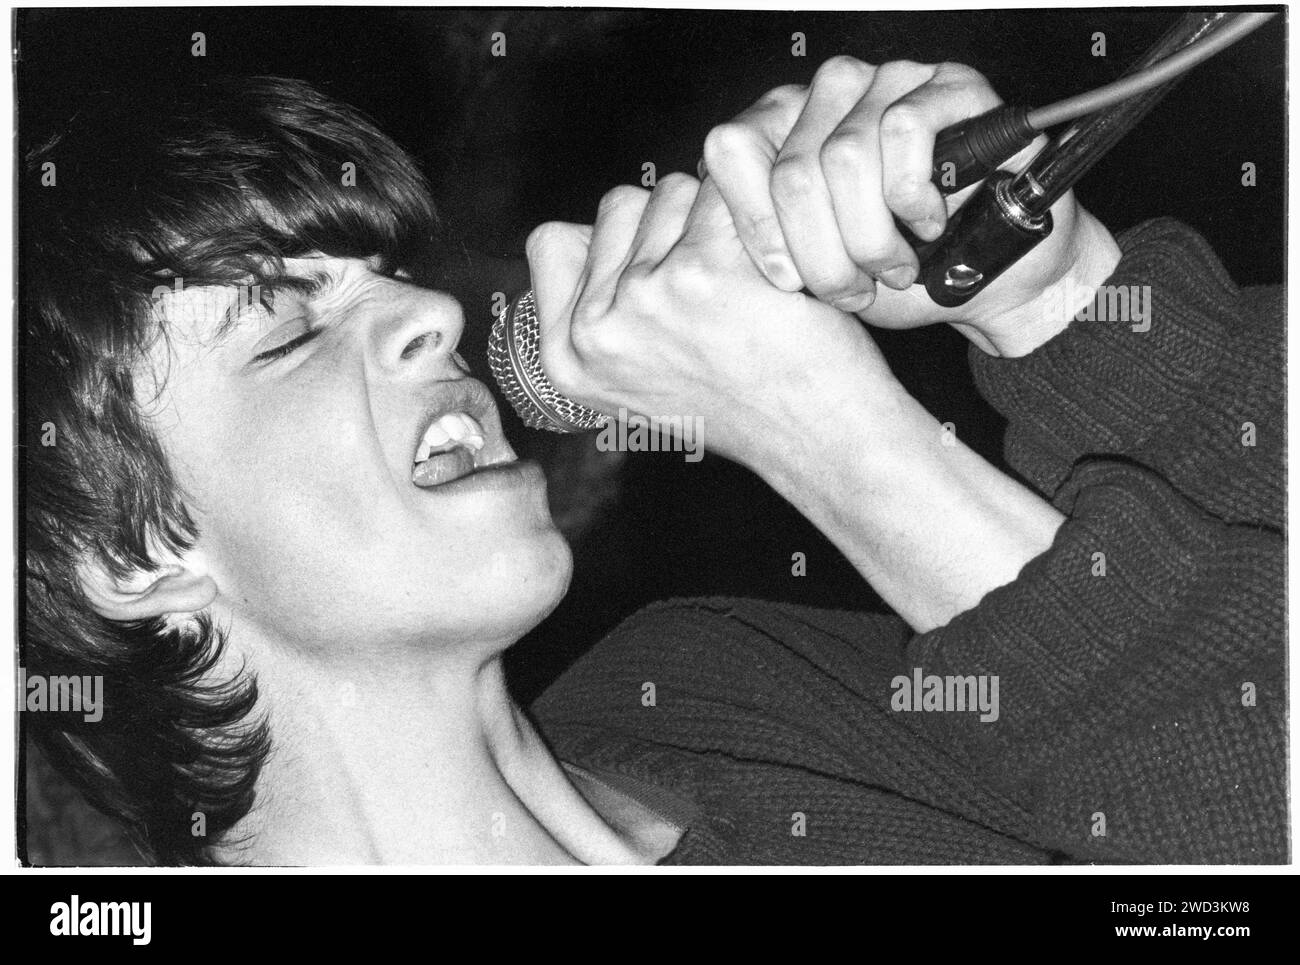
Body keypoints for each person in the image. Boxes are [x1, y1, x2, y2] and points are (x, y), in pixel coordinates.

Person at [22, 57, 1283, 865]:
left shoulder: (709, 678)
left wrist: (1052, 304)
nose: (433, 312)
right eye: (289, 330)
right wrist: (829, 438)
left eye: (388, 274)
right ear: (124, 552)